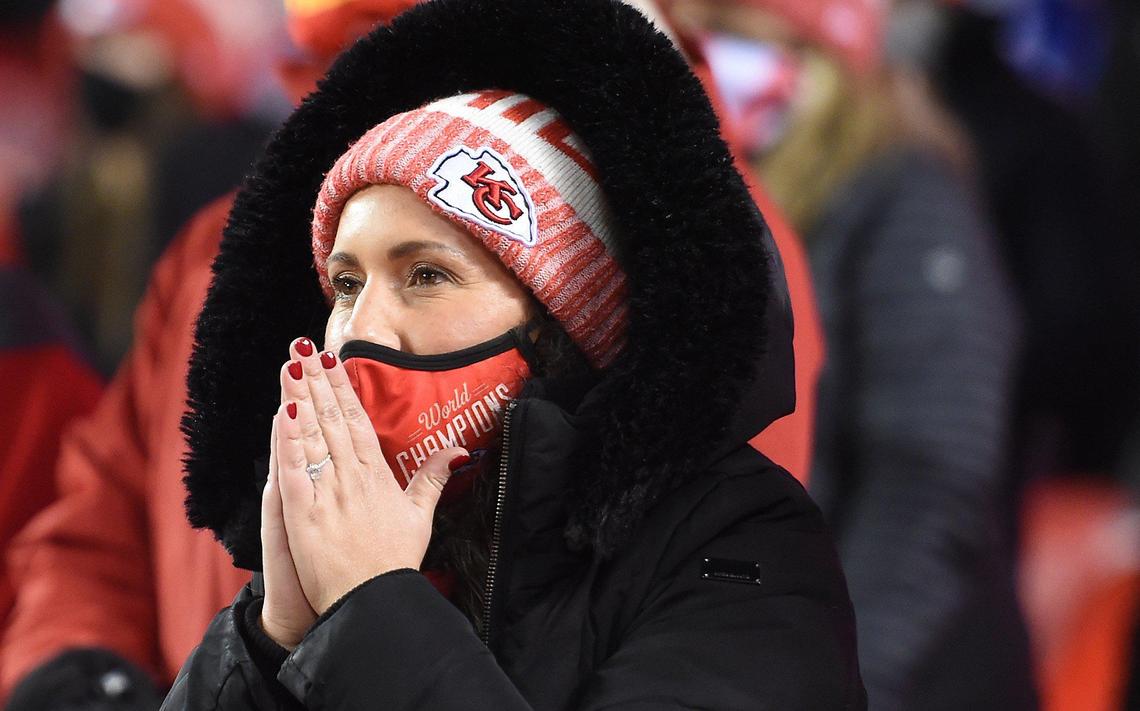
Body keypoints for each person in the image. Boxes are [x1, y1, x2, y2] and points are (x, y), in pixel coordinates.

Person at [164, 0, 865, 708]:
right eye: (346, 283)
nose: (355, 330)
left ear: (564, 315)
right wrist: (268, 641)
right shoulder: (346, 552)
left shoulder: (745, 548)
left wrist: (372, 607)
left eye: (426, 275)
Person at [664, 0, 1036, 708]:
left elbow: (931, 476)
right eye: (712, 33)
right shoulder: (720, 181)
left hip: (908, 665)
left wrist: (842, 678)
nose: (723, 55)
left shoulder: (906, 189)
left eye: (749, 36)